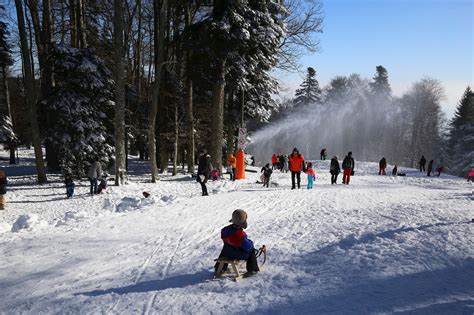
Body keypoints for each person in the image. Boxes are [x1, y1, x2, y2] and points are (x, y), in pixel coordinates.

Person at [214, 209, 260, 275]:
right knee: (251, 252)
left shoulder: (225, 230)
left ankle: (219, 268)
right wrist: (251, 243)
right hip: (237, 254)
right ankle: (252, 269)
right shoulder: (240, 236)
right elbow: (247, 247)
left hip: (227, 253)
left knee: (225, 249)